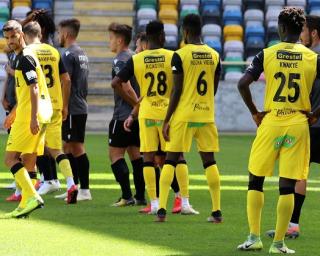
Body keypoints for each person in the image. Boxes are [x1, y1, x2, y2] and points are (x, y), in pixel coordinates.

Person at [237, 7, 320, 254]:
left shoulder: (267, 54)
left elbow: (243, 83)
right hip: (298, 124)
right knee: (287, 184)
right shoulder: (312, 57)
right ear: (299, 30)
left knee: (256, 180)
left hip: (271, 121)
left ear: (281, 28)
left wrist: (254, 110)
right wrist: (316, 114)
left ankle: (254, 237)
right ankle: (279, 243)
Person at [113, 20, 195, 215]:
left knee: (148, 158)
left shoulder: (137, 59)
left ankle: (155, 203)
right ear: (161, 36)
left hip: (147, 113)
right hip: (169, 114)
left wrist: (135, 105)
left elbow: (116, 82)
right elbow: (178, 87)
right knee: (177, 156)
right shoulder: (172, 56)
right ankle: (184, 202)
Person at [156, 14, 222, 222]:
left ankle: (161, 211)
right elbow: (214, 87)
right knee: (209, 162)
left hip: (184, 115)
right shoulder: (214, 55)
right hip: (206, 115)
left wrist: (167, 119)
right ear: (200, 30)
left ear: (185, 31)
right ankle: (216, 211)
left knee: (171, 160)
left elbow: (176, 90)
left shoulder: (180, 55)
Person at [266, 14, 320, 239]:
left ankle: (292, 225)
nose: (301, 34)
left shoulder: (310, 57)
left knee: (297, 174)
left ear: (313, 33)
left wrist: (314, 114)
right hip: (313, 122)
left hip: (312, 125)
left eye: (304, 30)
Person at [1, 20, 53, 218]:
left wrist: (32, 118)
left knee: (10, 159)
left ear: (21, 34)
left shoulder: (25, 58)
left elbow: (34, 88)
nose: (10, 41)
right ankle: (25, 205)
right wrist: (14, 113)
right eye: (7, 38)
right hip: (34, 113)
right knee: (29, 163)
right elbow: (25, 91)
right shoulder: (20, 57)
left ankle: (32, 196)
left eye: (13, 36)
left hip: (30, 116)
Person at [23, 21, 78, 203]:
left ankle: (29, 191)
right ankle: (70, 183)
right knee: (56, 149)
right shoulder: (54, 52)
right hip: (55, 105)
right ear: (40, 34)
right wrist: (64, 105)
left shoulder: (28, 52)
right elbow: (67, 80)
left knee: (30, 149)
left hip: (38, 106)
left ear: (25, 35)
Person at [108, 23, 145, 207]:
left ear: (120, 40)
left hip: (123, 115)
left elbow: (124, 85)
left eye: (111, 38)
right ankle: (140, 196)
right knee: (136, 155)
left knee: (115, 155)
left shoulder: (119, 60)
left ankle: (126, 196)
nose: (110, 42)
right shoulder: (135, 57)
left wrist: (135, 105)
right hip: (137, 117)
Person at [57, 18, 91, 201]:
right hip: (80, 105)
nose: (58, 35)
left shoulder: (68, 55)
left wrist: (63, 106)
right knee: (67, 146)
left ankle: (85, 189)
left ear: (66, 34)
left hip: (72, 107)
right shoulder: (82, 53)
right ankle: (74, 187)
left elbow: (66, 81)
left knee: (76, 147)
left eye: (59, 32)